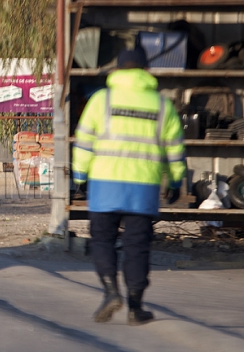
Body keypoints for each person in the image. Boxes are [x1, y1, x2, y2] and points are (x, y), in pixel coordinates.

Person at [72, 46, 186, 325]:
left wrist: (79, 178)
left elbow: (84, 142)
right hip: (143, 187)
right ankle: (136, 307)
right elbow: (175, 148)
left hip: (105, 184)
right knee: (137, 245)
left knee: (102, 240)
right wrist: (174, 180)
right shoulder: (162, 105)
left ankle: (111, 292)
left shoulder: (102, 100)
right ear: (146, 71)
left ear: (118, 70)